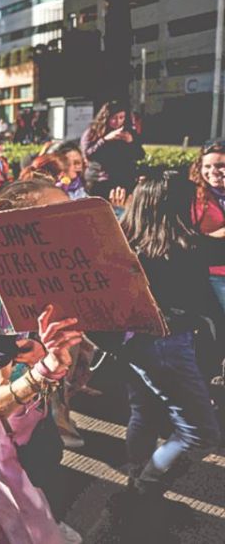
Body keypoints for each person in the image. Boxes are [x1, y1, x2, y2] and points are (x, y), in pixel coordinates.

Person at [0, 179, 83, 543]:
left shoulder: (29, 267)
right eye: (53, 214)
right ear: (19, 223)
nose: (67, 220)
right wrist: (48, 366)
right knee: (23, 514)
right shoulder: (1, 291)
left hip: (24, 415)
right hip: (0, 426)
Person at [117, 173, 223, 533]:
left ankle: (136, 479)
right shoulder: (186, 247)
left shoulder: (123, 243)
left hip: (133, 343)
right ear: (175, 206)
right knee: (199, 433)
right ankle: (145, 490)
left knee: (143, 412)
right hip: (169, 346)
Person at [81, 101, 144, 199]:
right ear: (106, 118)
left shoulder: (128, 132)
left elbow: (140, 155)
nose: (118, 121)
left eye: (121, 117)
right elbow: (89, 154)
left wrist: (131, 142)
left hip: (123, 180)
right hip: (99, 180)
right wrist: (105, 140)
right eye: (114, 118)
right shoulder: (92, 132)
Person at [190, 139, 225, 313]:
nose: (213, 172)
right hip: (214, 273)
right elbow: (188, 235)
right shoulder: (196, 196)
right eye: (207, 166)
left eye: (220, 165)